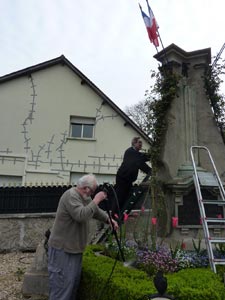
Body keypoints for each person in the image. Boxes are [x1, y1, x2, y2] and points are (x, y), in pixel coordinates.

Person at [48, 174, 118, 300]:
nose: (92, 194)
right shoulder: (71, 195)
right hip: (63, 250)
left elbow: (95, 211)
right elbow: (80, 215)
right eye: (92, 191)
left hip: (74, 250)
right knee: (61, 289)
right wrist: (97, 199)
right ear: (86, 188)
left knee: (71, 287)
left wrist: (109, 219)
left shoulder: (84, 197)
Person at [112, 137, 151, 220]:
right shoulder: (130, 152)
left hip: (128, 180)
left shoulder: (135, 154)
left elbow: (141, 159)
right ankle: (114, 216)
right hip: (122, 178)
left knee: (125, 197)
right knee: (120, 196)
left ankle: (119, 215)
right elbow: (141, 160)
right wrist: (150, 170)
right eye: (139, 143)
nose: (141, 145)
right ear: (134, 143)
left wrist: (152, 156)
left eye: (141, 143)